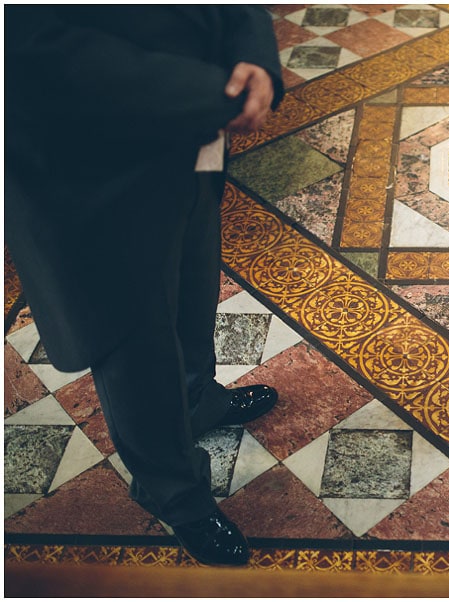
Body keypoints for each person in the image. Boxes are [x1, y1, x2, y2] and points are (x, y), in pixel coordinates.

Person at [6, 6, 285, 566]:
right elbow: (29, 39)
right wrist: (210, 92)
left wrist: (255, 56)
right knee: (132, 335)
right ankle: (173, 490)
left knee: (193, 288)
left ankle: (196, 401)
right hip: (94, 168)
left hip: (194, 141)